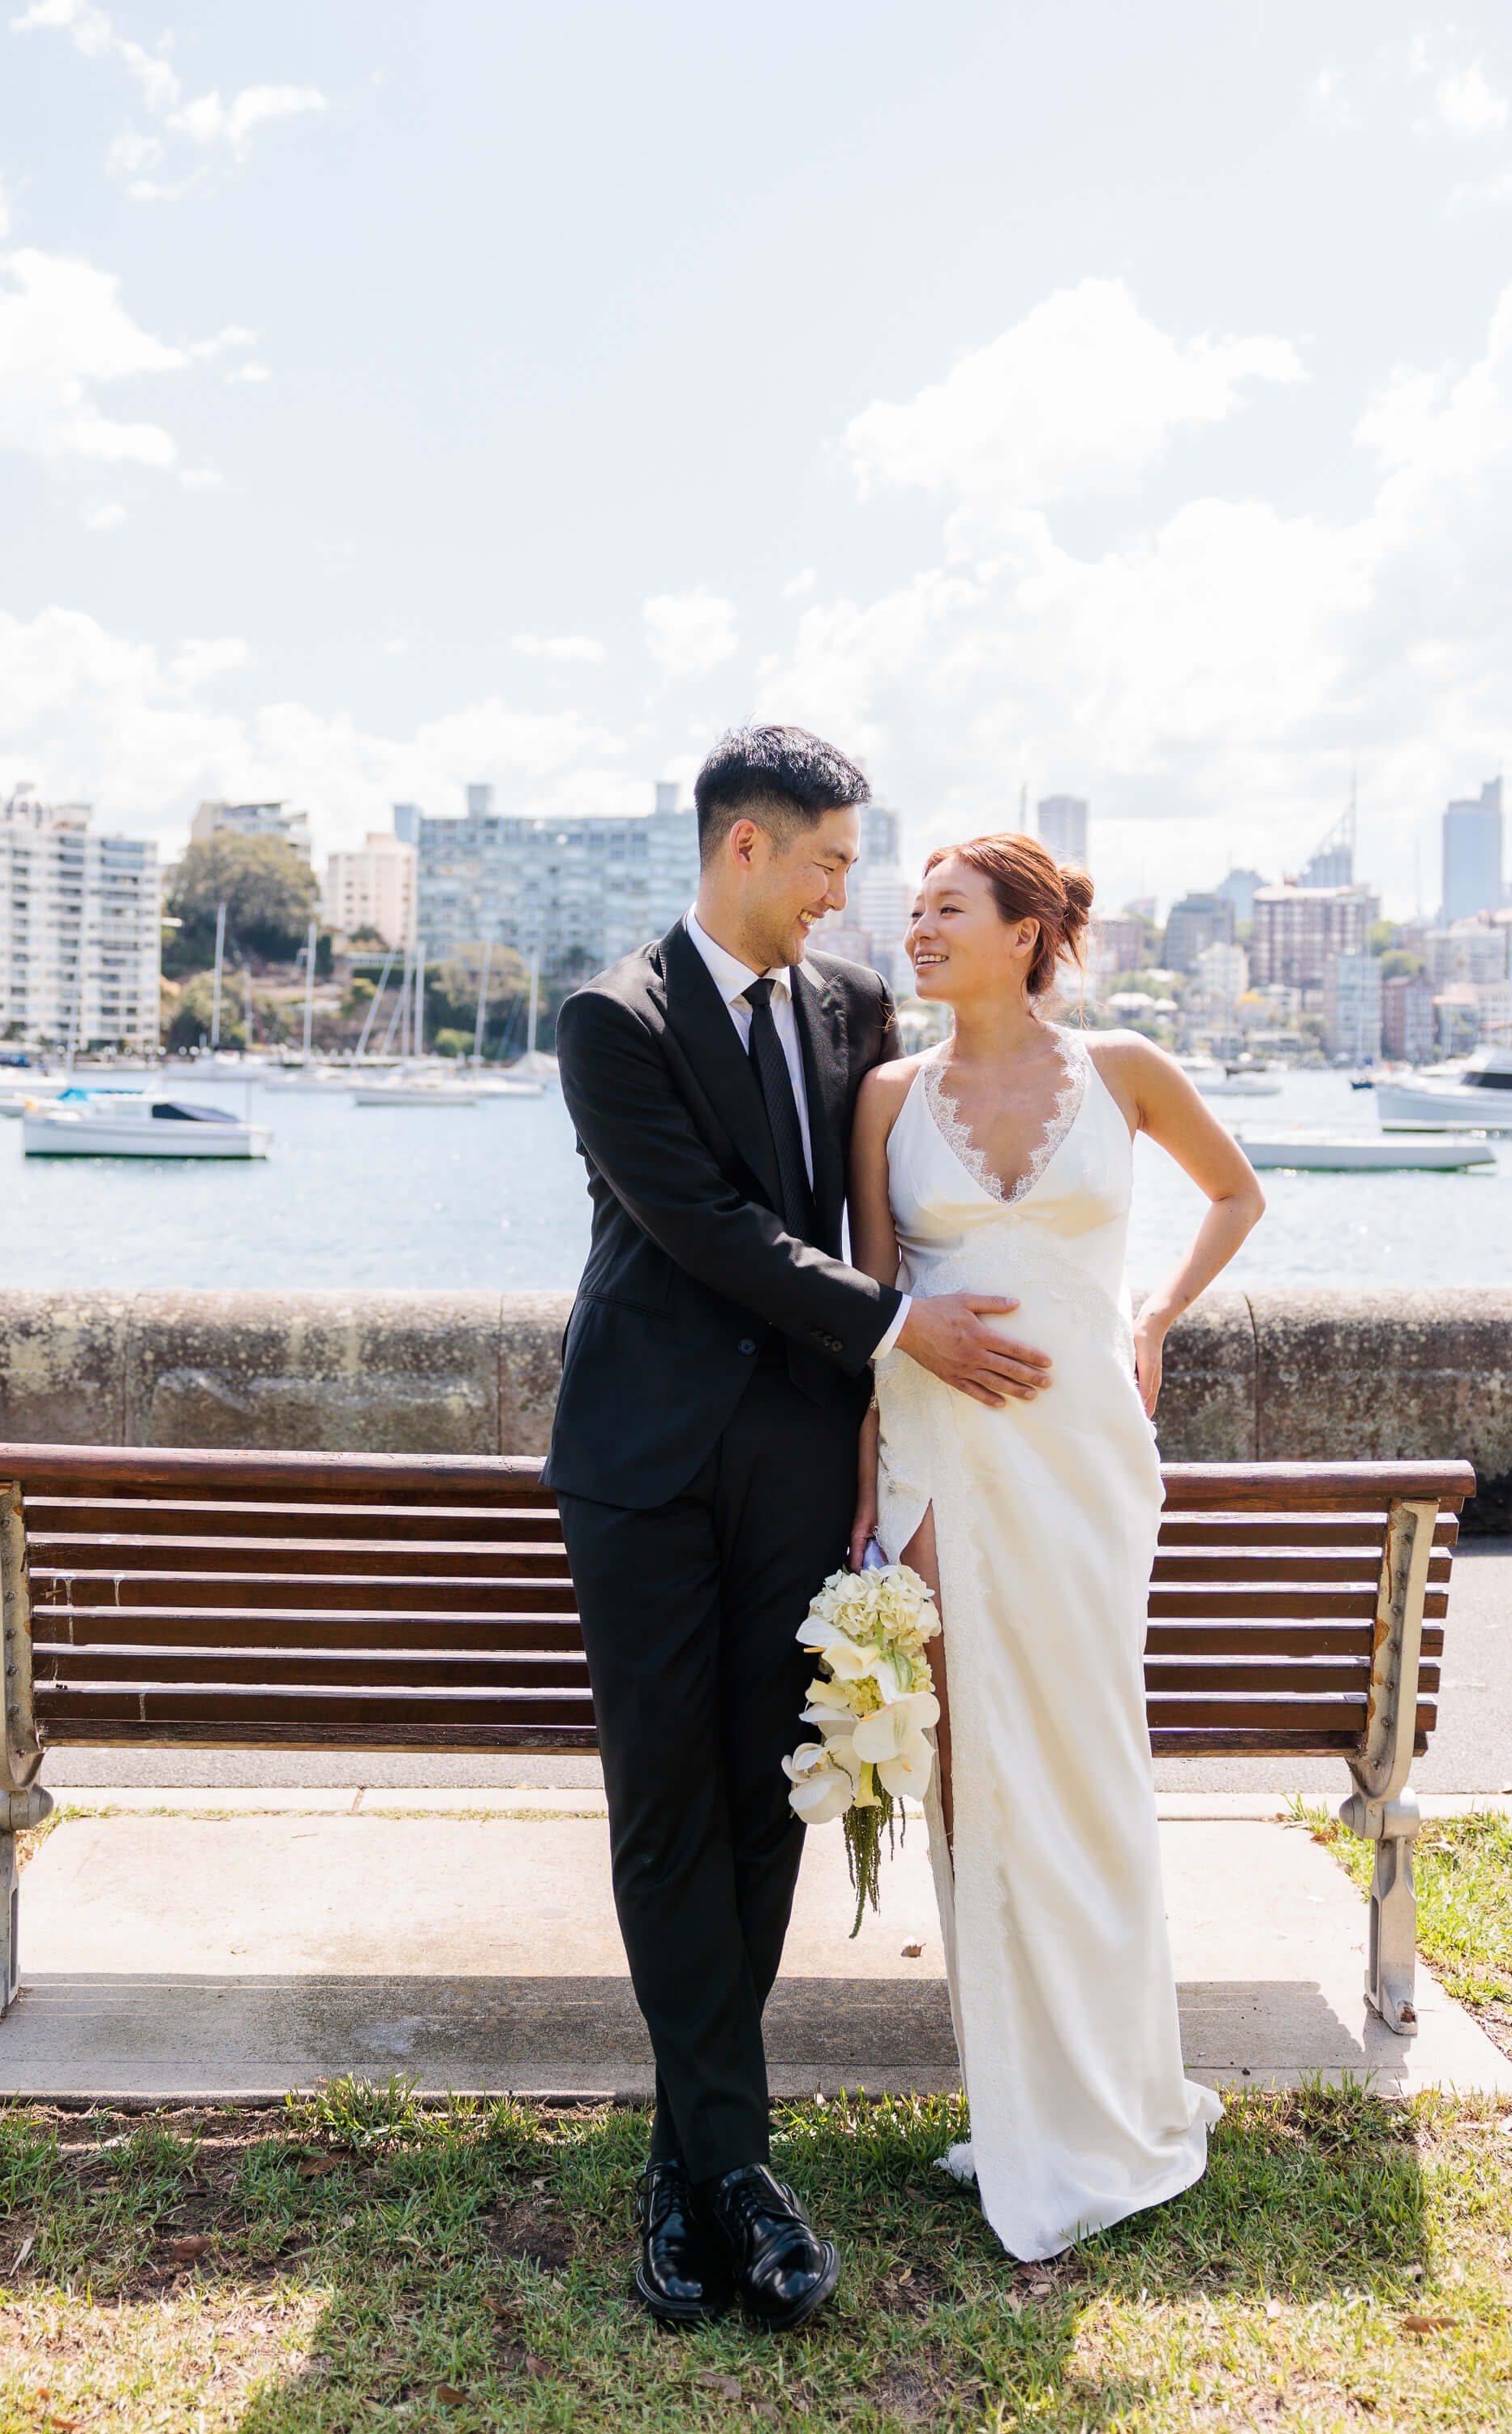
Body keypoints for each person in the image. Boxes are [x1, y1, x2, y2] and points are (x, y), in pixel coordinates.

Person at [544, 729, 1051, 2329]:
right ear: (744, 849)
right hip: (639, 1461)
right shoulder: (608, 1019)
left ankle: (697, 2160)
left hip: (792, 1457)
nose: (851, 897)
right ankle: (724, 2170)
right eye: (830, 862)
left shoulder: (847, 1011)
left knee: (769, 1790)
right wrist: (903, 1331)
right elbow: (704, 1227)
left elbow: (894, 1179)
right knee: (664, 1797)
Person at [846, 833, 1265, 2264]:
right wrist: (864, 1505)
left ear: (1024, 932)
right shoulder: (887, 1097)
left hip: (1085, 1461)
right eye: (908, 911)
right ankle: (1018, 2108)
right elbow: (872, 1307)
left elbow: (1235, 1194)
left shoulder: (1129, 1068)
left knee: (1087, 1769)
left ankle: (1119, 2097)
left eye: (943, 910)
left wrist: (1147, 1320)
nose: (915, 930)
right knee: (975, 1779)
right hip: (937, 1466)